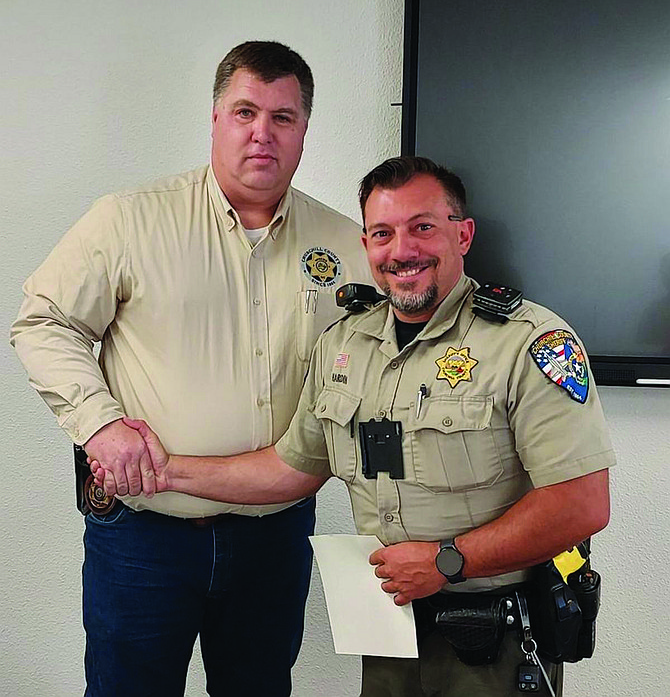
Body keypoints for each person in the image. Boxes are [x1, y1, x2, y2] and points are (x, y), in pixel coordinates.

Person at [91, 156, 615, 697]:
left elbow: (581, 503)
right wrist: (162, 471)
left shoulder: (530, 341)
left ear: (463, 235)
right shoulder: (344, 345)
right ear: (365, 246)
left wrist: (448, 562)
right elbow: (287, 470)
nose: (402, 250)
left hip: (494, 644)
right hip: (388, 632)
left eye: (423, 228)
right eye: (382, 233)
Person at [10, 41, 372, 697]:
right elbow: (43, 321)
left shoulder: (349, 245)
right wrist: (102, 427)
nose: (262, 132)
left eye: (282, 117)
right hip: (145, 537)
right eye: (245, 112)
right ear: (215, 119)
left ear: (303, 130)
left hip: (274, 537)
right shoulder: (129, 220)